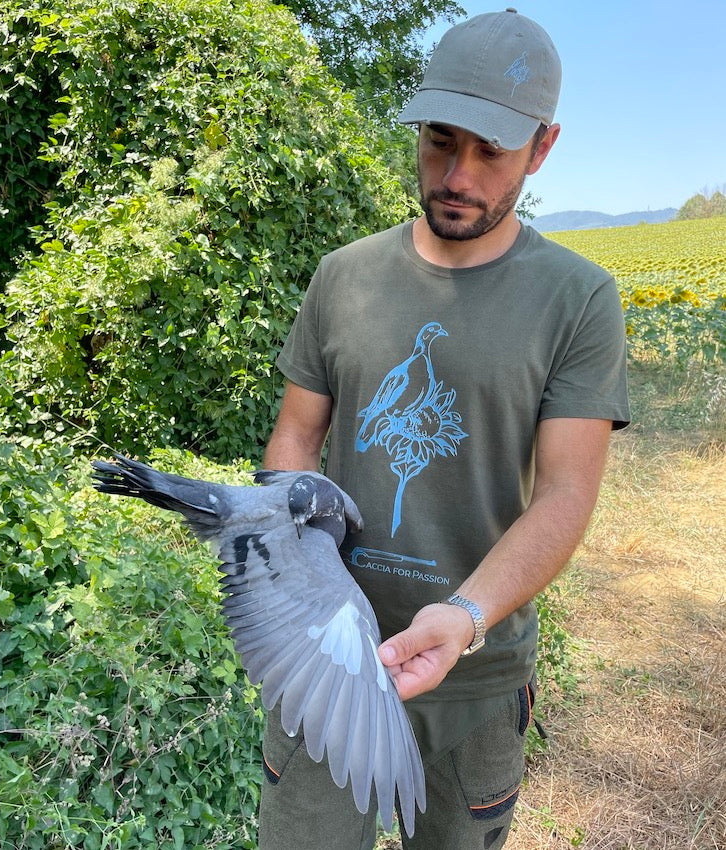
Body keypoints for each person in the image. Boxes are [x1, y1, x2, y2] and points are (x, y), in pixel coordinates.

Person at [258, 8, 630, 850]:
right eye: (438, 140)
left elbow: (568, 493)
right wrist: (293, 562)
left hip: (476, 678)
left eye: (490, 152)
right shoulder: (342, 276)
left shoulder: (578, 299)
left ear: (541, 149)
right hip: (328, 665)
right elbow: (295, 439)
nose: (456, 174)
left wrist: (464, 615)